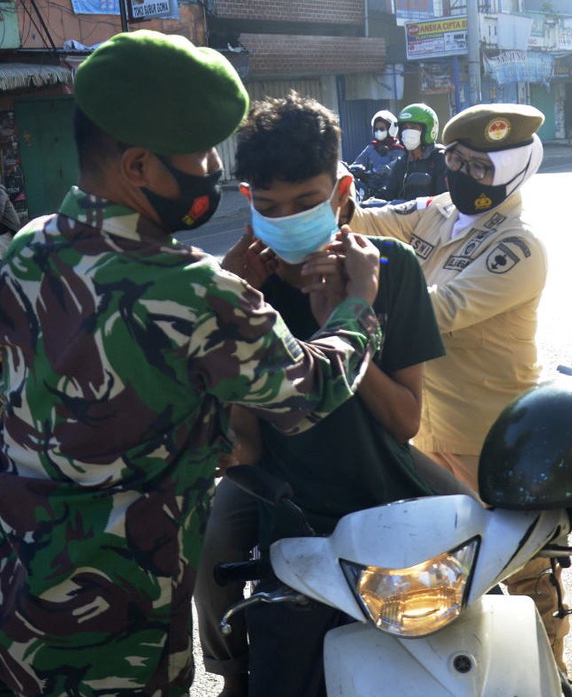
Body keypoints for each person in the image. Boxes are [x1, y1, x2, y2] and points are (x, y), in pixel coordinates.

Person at [0, 31, 385, 697]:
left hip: (5, 602)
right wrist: (358, 306)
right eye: (200, 152)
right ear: (138, 166)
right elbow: (309, 392)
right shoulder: (195, 291)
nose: (212, 167)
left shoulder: (31, 244)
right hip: (110, 639)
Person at [194, 92, 447, 697]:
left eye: (307, 202)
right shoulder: (237, 285)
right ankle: (231, 673)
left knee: (496, 551)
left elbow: (406, 422)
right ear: (248, 201)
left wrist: (345, 316)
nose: (290, 220)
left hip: (382, 471)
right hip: (277, 487)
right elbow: (244, 452)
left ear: (341, 192)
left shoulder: (390, 269)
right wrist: (237, 310)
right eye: (272, 206)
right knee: (209, 558)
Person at [343, 103, 572, 680]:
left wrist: (352, 297)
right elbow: (371, 220)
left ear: (516, 171)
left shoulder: (519, 247)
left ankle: (549, 677)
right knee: (440, 574)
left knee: (526, 578)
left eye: (480, 167)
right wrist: (333, 201)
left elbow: (437, 311)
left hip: (494, 439)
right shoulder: (440, 212)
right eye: (457, 160)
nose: (463, 176)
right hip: (425, 431)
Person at [388, 102, 448, 199]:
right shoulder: (402, 162)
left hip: (431, 212)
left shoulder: (441, 158)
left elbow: (444, 197)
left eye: (414, 127)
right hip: (403, 212)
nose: (407, 132)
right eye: (404, 128)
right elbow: (388, 193)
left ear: (428, 130)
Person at [349, 109, 405, 200]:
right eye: (376, 129)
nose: (378, 131)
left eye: (382, 128)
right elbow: (358, 162)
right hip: (370, 190)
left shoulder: (399, 149)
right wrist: (355, 169)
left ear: (391, 129)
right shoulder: (371, 148)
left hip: (391, 190)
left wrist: (382, 169)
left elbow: (397, 164)